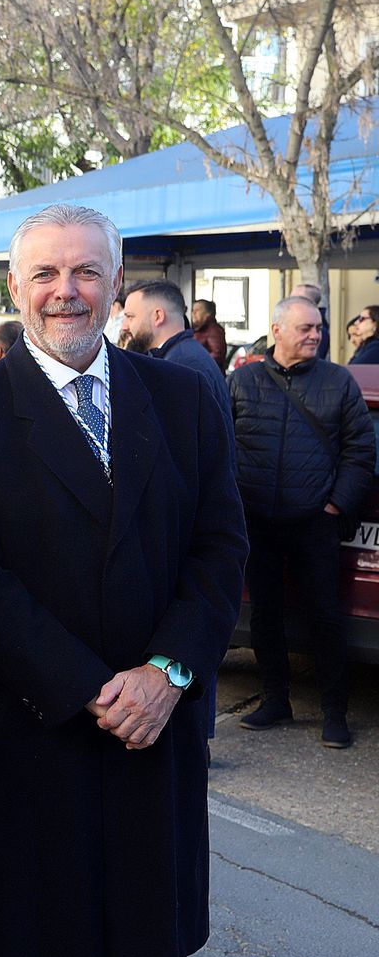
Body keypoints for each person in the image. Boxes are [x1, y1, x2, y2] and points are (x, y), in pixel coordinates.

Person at [0, 204, 248, 957]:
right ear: (14, 285)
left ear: (115, 282)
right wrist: (96, 689)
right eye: (46, 273)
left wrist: (167, 674)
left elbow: (220, 547)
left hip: (156, 719)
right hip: (29, 723)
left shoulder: (182, 399)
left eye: (85, 272)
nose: (65, 292)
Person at [231, 294, 374, 748]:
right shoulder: (243, 381)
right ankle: (276, 701)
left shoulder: (339, 382)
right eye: (306, 328)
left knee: (324, 620)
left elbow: (360, 451)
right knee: (266, 617)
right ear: (277, 331)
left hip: (315, 522)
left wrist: (335, 505)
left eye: (318, 328)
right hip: (258, 522)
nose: (315, 335)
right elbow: (217, 443)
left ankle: (335, 714)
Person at [123, 279, 230, 423]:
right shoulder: (182, 355)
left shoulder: (183, 364)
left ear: (158, 316)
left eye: (130, 317)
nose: (124, 326)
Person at [190, 298, 227, 369]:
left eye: (197, 310)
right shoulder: (198, 329)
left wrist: (196, 362)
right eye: (193, 310)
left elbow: (218, 355)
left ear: (208, 313)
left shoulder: (213, 330)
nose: (193, 313)